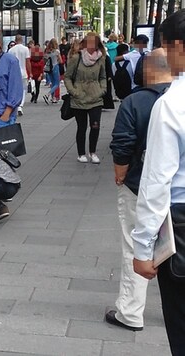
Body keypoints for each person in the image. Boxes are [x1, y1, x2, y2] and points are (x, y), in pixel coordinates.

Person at [131, 10, 185, 354]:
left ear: (176, 46)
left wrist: (141, 249)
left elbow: (156, 183)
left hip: (180, 226)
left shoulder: (172, 104)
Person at [107, 48, 172, 332]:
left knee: (135, 245)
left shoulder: (135, 102)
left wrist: (120, 171)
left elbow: (122, 142)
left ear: (146, 71)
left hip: (138, 184)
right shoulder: (178, 101)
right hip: (177, 191)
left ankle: (131, 312)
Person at [64, 32, 107, 164]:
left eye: (94, 43)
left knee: (95, 126)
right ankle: (81, 153)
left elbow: (103, 76)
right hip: (79, 98)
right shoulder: (77, 58)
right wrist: (74, 91)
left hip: (95, 98)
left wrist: (102, 90)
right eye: (89, 42)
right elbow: (67, 77)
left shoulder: (101, 59)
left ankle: (92, 152)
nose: (91, 46)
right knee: (81, 127)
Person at [8, 34, 31, 116]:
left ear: (15, 40)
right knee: (23, 90)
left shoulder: (11, 50)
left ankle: (15, 104)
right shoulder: (26, 49)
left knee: (14, 89)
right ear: (22, 40)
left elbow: (8, 63)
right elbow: (28, 62)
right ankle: (20, 106)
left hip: (14, 73)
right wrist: (30, 72)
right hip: (23, 72)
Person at [43, 38, 62, 104]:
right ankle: (48, 94)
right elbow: (60, 60)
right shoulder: (56, 51)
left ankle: (53, 98)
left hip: (49, 69)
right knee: (57, 84)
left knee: (53, 83)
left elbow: (44, 60)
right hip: (55, 67)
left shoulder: (47, 52)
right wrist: (57, 61)